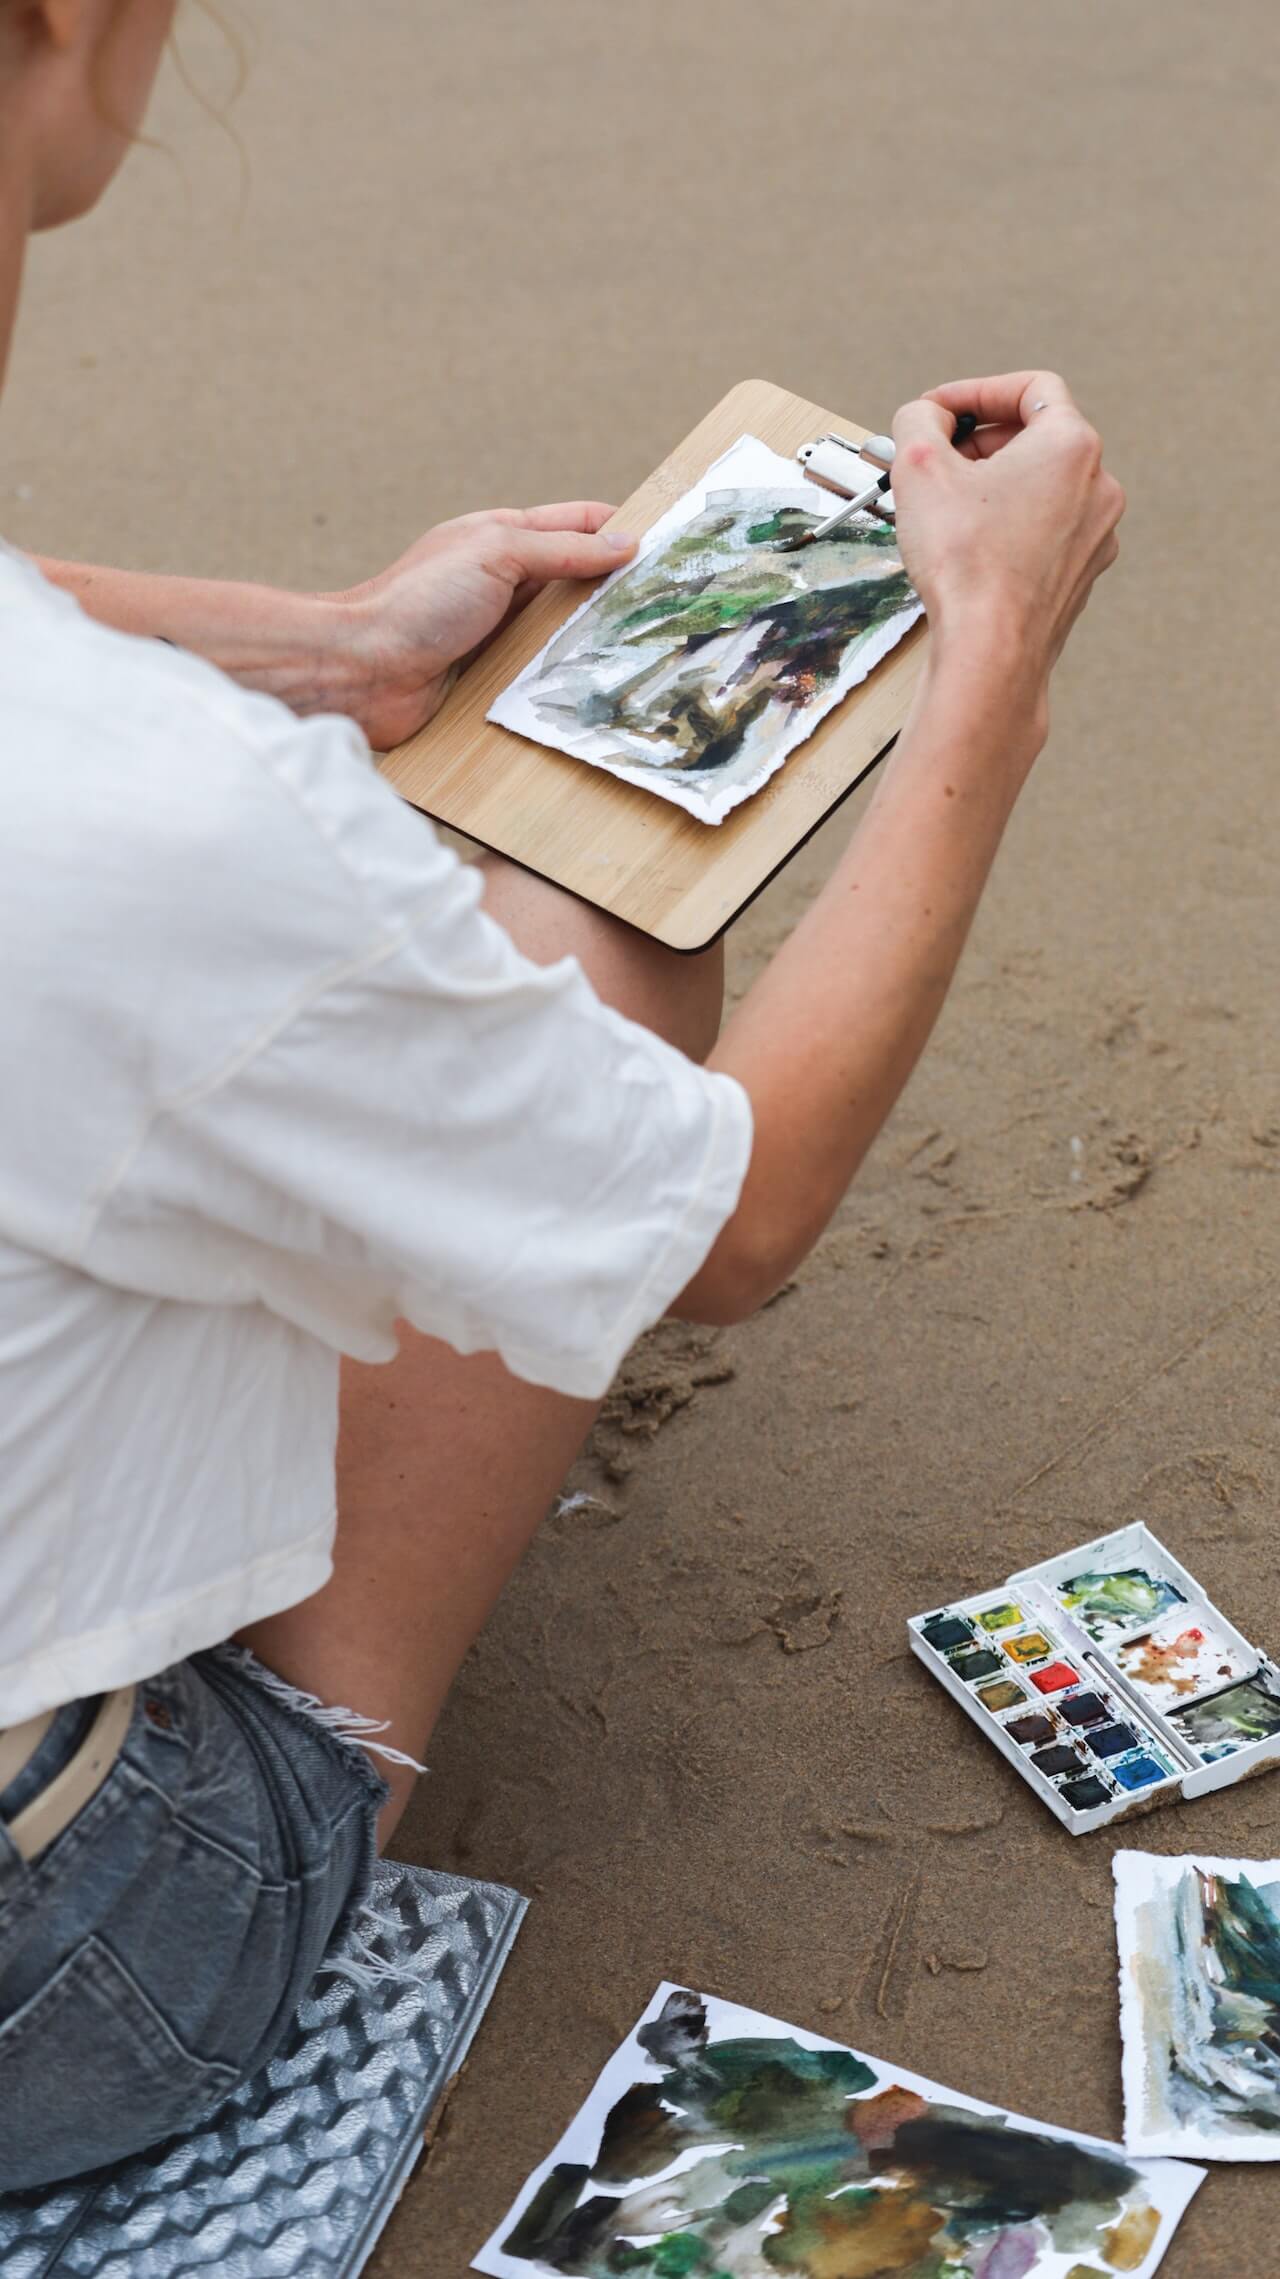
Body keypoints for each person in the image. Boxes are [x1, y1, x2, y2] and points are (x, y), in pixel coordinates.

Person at [0, 0, 1123, 2193]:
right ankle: (268, 1787)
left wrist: (325, 646)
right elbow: (733, 1224)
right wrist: (985, 654)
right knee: (597, 936)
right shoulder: (159, 823)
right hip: (60, 1976)